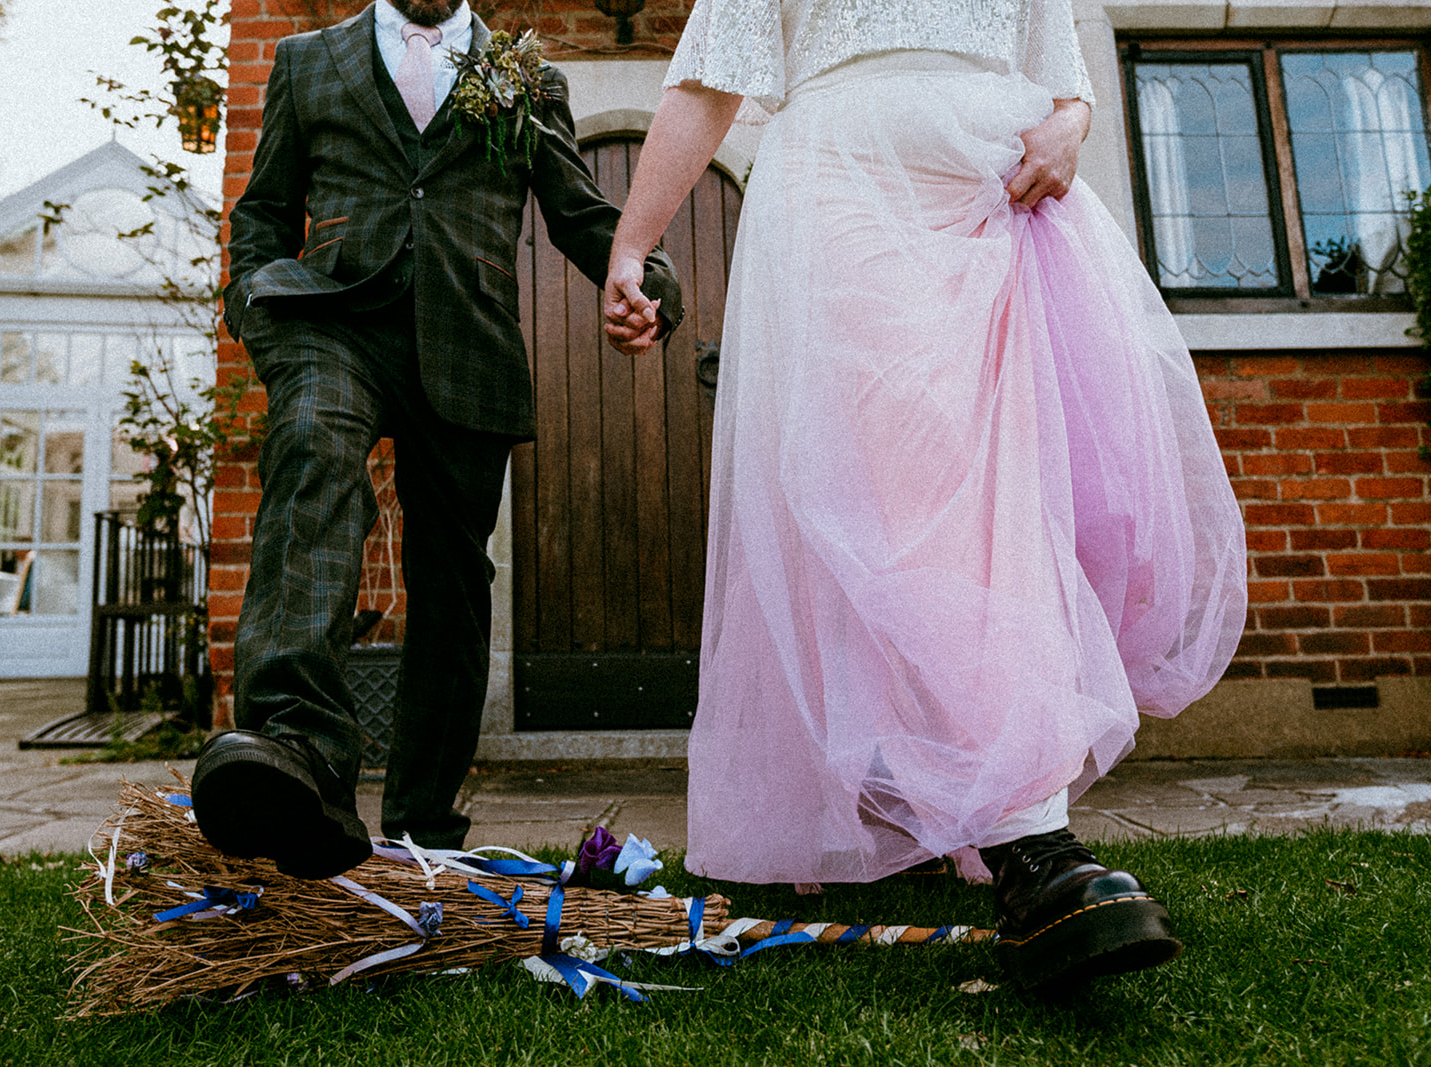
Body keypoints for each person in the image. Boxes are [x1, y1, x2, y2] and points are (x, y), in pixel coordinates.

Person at [603, 0, 1247, 988]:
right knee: (894, 495)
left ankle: (991, 807)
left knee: (1006, 502)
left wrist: (1066, 133)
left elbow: (1064, 81)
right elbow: (707, 76)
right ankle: (1031, 846)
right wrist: (628, 244)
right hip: (842, 190)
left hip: (996, 193)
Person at [193, 0, 682, 880]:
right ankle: (296, 746)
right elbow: (264, 207)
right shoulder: (309, 61)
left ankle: (420, 823)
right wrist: (255, 300)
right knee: (312, 447)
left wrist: (644, 277)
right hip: (330, 318)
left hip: (467, 335)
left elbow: (577, 211)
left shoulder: (529, 78)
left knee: (454, 575)